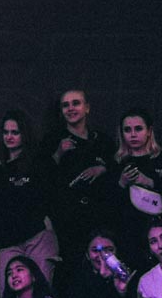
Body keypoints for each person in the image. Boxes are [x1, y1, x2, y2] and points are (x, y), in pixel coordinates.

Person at [0, 112, 56, 298]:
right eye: (6, 132)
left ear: (24, 134)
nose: (9, 137)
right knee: (8, 295)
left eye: (15, 132)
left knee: (41, 293)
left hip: (37, 235)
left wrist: (47, 222)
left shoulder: (39, 162)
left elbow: (51, 196)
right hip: (8, 240)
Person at [43, 89, 116, 263]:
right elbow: (42, 177)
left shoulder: (102, 140)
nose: (70, 108)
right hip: (68, 220)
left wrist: (103, 169)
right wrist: (58, 154)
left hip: (100, 217)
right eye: (65, 105)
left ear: (87, 108)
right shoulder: (52, 140)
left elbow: (117, 170)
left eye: (76, 103)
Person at [112, 109, 162, 271]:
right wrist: (121, 183)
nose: (133, 134)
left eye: (138, 129)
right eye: (127, 130)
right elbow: (108, 204)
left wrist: (150, 182)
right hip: (128, 236)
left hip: (159, 233)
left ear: (149, 131)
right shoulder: (117, 162)